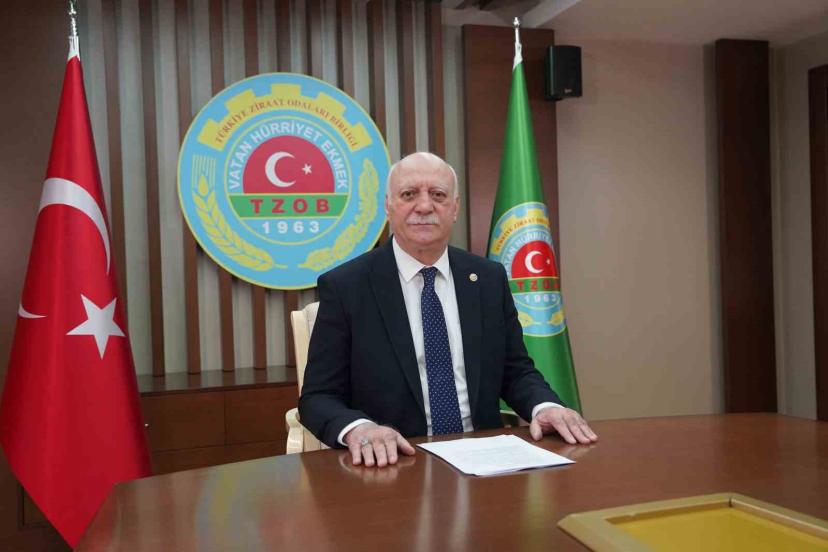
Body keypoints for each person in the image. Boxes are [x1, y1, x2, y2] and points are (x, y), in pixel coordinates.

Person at [298, 152, 597, 468]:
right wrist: (360, 429)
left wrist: (545, 406)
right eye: (409, 194)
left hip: (484, 460)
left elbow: (515, 370)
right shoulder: (347, 286)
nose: (424, 206)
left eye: (438, 195)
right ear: (388, 206)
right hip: (394, 462)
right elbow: (318, 397)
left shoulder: (487, 278)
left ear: (454, 208)